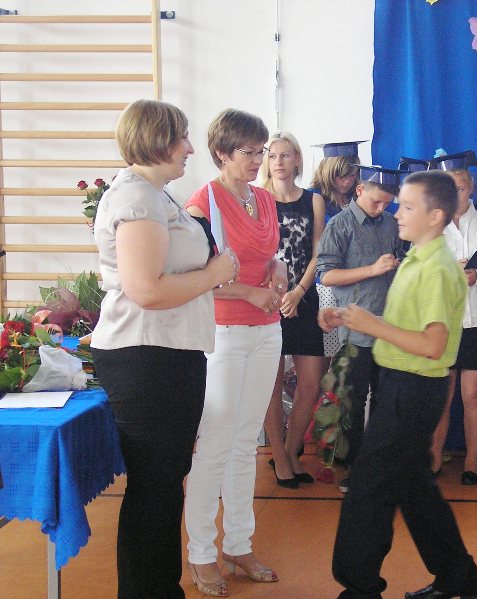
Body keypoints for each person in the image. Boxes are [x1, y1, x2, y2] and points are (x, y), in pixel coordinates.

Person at [90, 99, 237, 599]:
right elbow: (147, 291)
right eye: (182, 137)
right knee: (155, 485)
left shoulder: (156, 195)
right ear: (156, 139)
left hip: (167, 352)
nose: (190, 148)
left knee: (164, 480)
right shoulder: (137, 197)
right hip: (145, 355)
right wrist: (215, 274)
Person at [320, 169, 477, 599]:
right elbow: (405, 324)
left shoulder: (436, 269)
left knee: (368, 490)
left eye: (407, 207)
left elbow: (432, 345)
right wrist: (349, 317)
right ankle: (458, 578)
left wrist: (372, 325)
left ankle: (360, 588)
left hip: (412, 390)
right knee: (414, 490)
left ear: (436, 216)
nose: (396, 213)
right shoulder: (416, 257)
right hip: (403, 385)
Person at [183, 109, 284, 596]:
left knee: (246, 442)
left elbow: (271, 256)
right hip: (223, 332)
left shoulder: (263, 198)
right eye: (249, 152)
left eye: (261, 151)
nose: (258, 160)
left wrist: (280, 271)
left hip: (267, 330)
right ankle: (201, 553)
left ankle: (239, 544)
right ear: (222, 153)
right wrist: (247, 293)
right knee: (216, 444)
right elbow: (193, 278)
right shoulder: (202, 204)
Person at [316, 164, 405, 493]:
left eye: (387, 203)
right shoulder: (339, 225)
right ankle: (353, 466)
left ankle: (379, 464)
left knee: (386, 400)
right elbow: (327, 275)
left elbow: (401, 260)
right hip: (355, 330)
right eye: (376, 201)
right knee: (352, 401)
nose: (381, 208)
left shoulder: (392, 224)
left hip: (390, 327)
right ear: (359, 191)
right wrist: (371, 269)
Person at [429, 151, 477, 485]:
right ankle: (434, 457)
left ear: (471, 188)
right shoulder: (430, 225)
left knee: (473, 395)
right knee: (440, 396)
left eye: (460, 188)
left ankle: (473, 461)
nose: (455, 195)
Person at [260, 131, 326, 486]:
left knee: (311, 383)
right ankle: (280, 458)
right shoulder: (257, 199)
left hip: (304, 296)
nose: (279, 162)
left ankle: (290, 449)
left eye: (285, 155)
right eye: (272, 155)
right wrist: (277, 295)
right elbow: (255, 254)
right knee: (269, 386)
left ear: (297, 159)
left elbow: (318, 253)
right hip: (268, 302)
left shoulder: (313, 200)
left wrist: (298, 292)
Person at [310, 142, 364, 358]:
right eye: (340, 176)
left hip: (355, 282)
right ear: (328, 171)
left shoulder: (359, 198)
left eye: (351, 175)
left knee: (349, 353)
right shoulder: (313, 198)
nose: (346, 181)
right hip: (326, 284)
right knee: (328, 351)